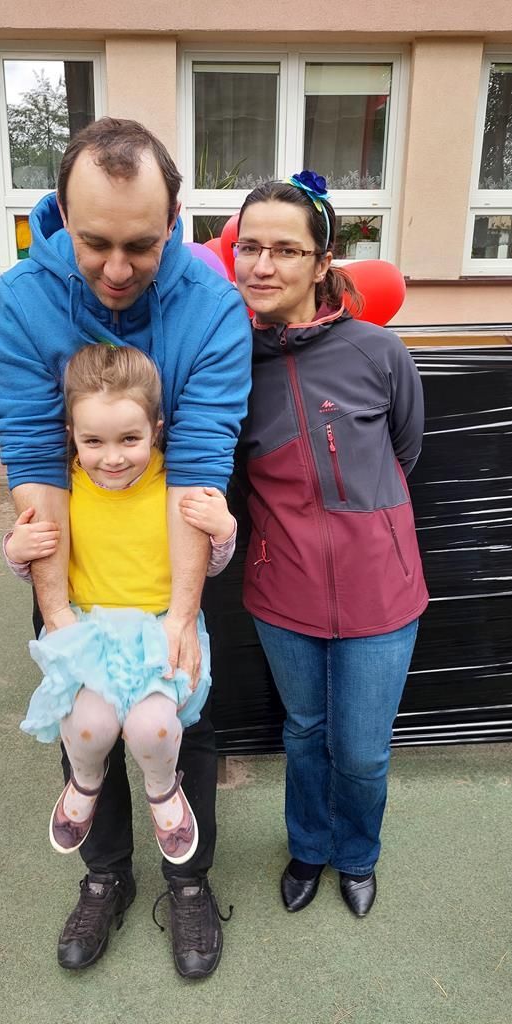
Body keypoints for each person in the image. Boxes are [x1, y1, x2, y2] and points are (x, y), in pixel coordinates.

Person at [0, 118, 252, 978]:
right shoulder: (20, 301)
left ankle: (188, 881)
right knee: (85, 720)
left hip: (172, 555)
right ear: (62, 214)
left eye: (141, 245)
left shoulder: (211, 306)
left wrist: (180, 615)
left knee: (184, 719)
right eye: (94, 242)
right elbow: (35, 457)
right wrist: (57, 615)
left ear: (174, 219)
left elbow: (200, 464)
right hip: (80, 563)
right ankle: (105, 877)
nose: (117, 268)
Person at [232, 171, 428, 918]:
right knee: (305, 731)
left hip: (381, 590)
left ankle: (357, 855)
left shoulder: (378, 352)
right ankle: (308, 847)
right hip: (282, 590)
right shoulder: (229, 363)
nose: (263, 265)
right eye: (250, 246)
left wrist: (365, 530)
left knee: (363, 750)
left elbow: (406, 449)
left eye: (285, 249)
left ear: (321, 263)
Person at [3, 344, 236, 878]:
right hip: (91, 633)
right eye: (94, 442)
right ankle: (85, 783)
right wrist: (15, 550)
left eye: (130, 439)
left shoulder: (174, 486)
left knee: (153, 728)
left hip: (158, 633)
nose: (112, 457)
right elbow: (37, 559)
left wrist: (223, 531)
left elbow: (209, 563)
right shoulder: (64, 489)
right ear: (72, 436)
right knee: (88, 726)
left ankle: (163, 790)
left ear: (156, 430)